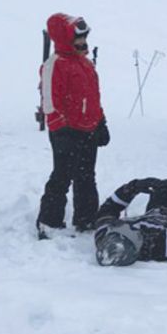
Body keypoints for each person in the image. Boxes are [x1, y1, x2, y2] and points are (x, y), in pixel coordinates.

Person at [36, 13, 110, 239]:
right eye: (78, 39)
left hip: (88, 129)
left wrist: (101, 122)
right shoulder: (54, 65)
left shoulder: (86, 64)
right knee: (62, 175)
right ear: (65, 40)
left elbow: (93, 97)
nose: (83, 42)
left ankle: (86, 218)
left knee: (86, 176)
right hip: (66, 132)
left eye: (85, 38)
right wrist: (61, 129)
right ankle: (49, 222)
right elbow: (50, 102)